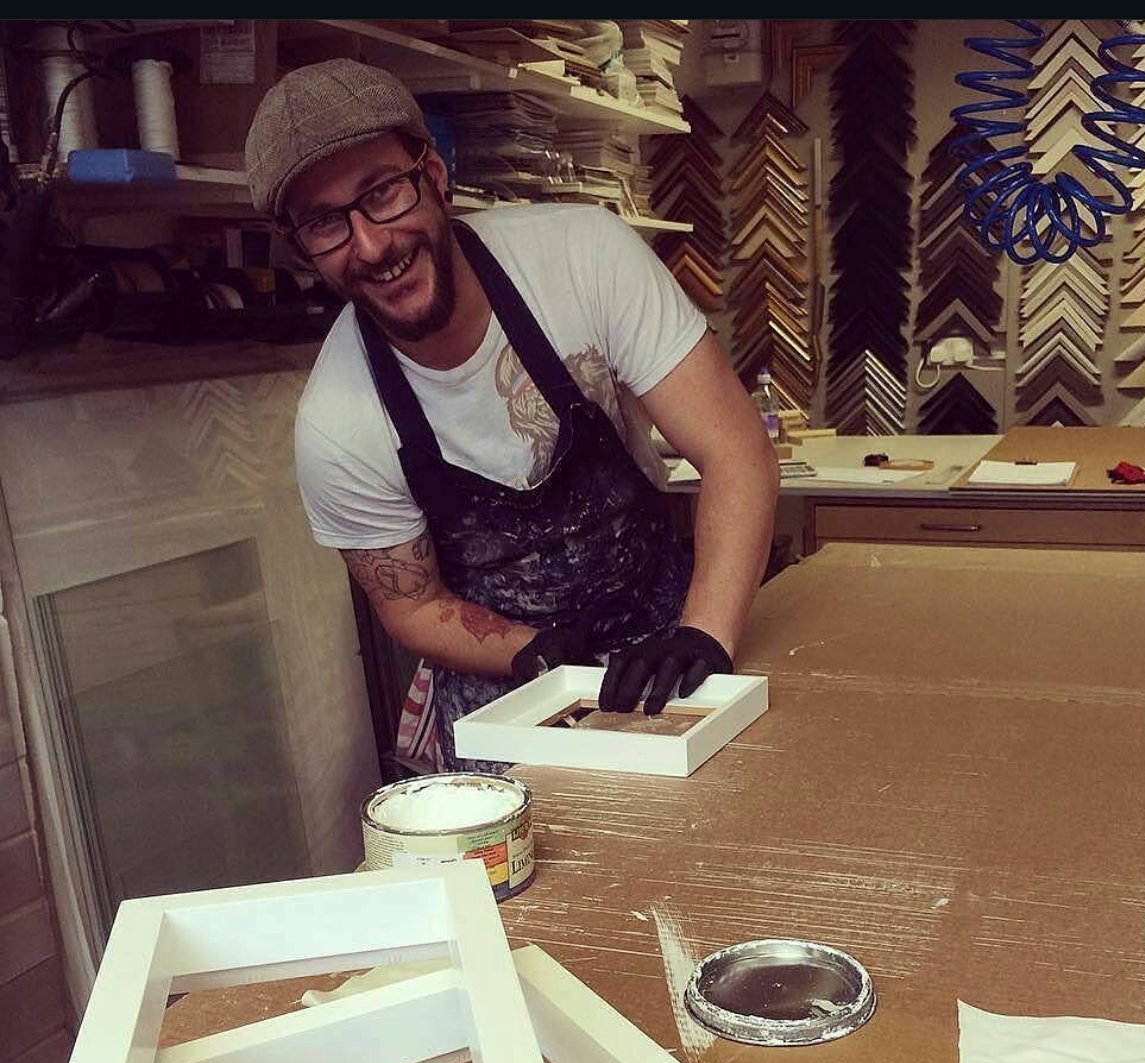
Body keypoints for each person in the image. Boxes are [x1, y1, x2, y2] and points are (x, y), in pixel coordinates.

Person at [244, 58, 779, 771]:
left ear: (433, 174)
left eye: (382, 193)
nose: (371, 245)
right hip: (511, 694)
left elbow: (735, 448)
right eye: (325, 224)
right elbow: (412, 606)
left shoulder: (582, 259)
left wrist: (705, 635)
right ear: (299, 246)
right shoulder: (337, 426)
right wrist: (530, 650)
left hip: (668, 643)